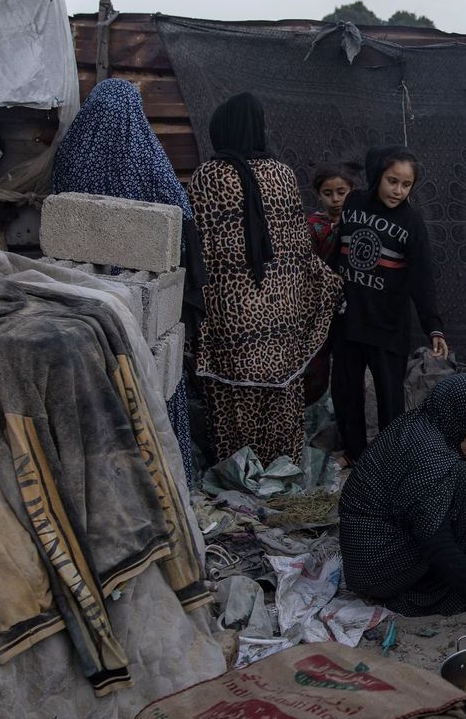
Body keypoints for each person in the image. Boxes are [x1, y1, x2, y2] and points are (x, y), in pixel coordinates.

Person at [50, 77, 207, 481]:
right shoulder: (142, 150)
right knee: (149, 382)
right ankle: (164, 484)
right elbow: (180, 209)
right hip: (141, 298)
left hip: (78, 294)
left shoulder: (71, 151)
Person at [184, 92, 342, 465]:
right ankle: (281, 468)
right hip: (281, 313)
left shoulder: (207, 176)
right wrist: (328, 283)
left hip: (229, 315)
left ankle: (235, 468)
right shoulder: (283, 175)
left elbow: (196, 247)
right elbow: (298, 250)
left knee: (230, 396)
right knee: (282, 391)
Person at [340, 374, 466, 645]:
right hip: (377, 568)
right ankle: (431, 592)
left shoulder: (425, 421)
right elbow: (437, 545)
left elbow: (429, 474)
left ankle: (455, 578)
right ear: (459, 421)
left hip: (368, 549)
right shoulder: (427, 457)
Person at [331, 146, 448, 462]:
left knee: (389, 396)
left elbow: (422, 279)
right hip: (348, 320)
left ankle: (389, 458)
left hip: (387, 325)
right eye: (391, 181)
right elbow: (337, 252)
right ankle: (354, 453)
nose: (398, 190)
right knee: (346, 391)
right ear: (376, 176)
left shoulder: (411, 223)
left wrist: (433, 326)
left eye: (405, 184)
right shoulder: (353, 203)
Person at [301, 165, 355, 404]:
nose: (335, 199)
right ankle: (314, 407)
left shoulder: (358, 224)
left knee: (349, 363)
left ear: (351, 190)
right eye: (328, 193)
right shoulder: (313, 226)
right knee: (317, 360)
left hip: (352, 304)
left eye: (341, 192)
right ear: (318, 194)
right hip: (318, 304)